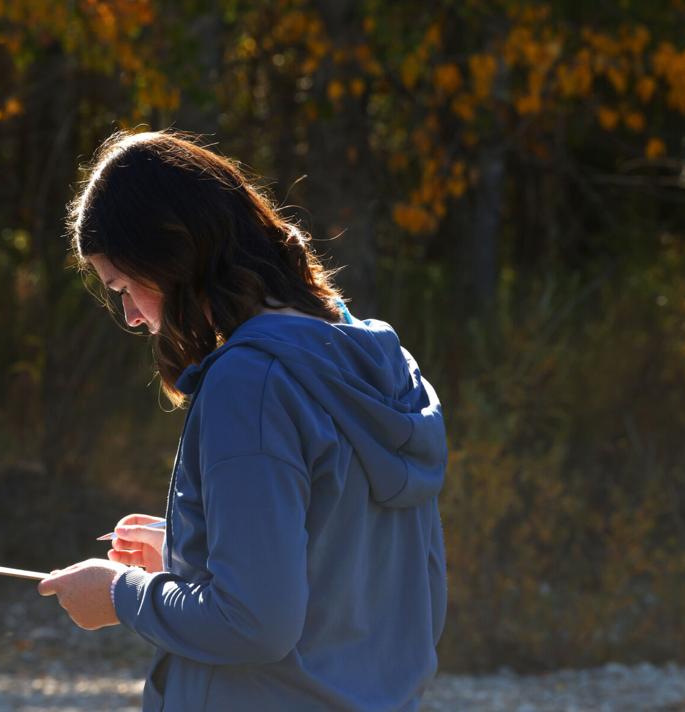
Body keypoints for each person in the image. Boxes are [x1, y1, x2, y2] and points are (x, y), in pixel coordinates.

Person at [38, 129, 447, 712]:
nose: (128, 315)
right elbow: (353, 567)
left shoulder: (249, 385)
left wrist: (120, 595)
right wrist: (195, 553)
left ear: (172, 257)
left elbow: (254, 624)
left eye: (125, 286)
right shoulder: (377, 365)